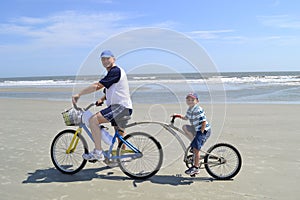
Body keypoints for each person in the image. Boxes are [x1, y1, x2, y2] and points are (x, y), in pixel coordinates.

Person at [72, 50, 133, 161]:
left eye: (107, 58)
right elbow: (112, 90)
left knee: (93, 120)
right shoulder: (113, 73)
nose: (105, 61)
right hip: (125, 107)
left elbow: (98, 85)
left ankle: (98, 152)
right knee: (119, 135)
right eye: (103, 59)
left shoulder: (115, 71)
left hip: (119, 107)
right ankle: (124, 158)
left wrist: (79, 94)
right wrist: (102, 99)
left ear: (113, 59)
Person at [173, 92, 211, 176]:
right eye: (188, 100)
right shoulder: (190, 110)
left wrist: (200, 133)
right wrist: (177, 116)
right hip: (196, 129)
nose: (190, 101)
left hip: (203, 130)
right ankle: (194, 144)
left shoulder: (198, 109)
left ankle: (196, 168)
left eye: (192, 100)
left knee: (196, 149)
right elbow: (186, 118)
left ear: (197, 101)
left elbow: (204, 121)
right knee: (185, 127)